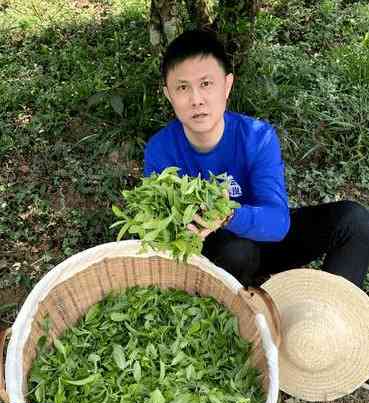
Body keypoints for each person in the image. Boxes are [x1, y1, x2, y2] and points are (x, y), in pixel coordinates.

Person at [143, 29, 369, 289]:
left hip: (264, 240)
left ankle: (330, 316)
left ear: (227, 85)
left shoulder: (256, 137)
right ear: (169, 94)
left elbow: (277, 222)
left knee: (354, 221)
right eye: (183, 87)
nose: (196, 100)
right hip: (213, 257)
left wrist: (228, 215)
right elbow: (160, 236)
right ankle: (233, 312)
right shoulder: (161, 150)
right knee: (236, 252)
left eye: (206, 84)